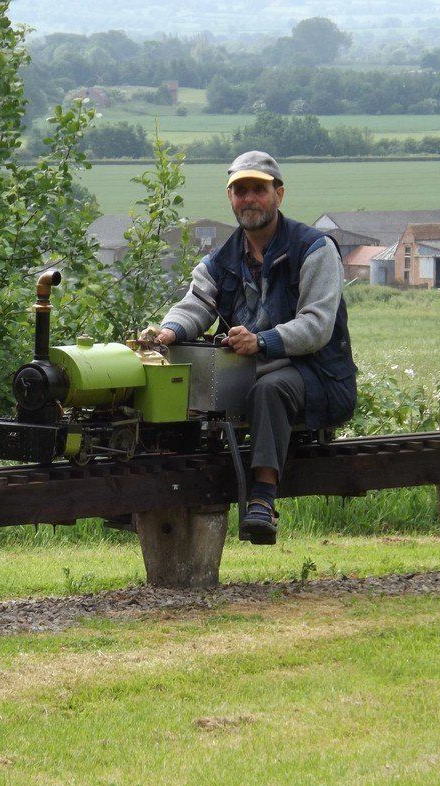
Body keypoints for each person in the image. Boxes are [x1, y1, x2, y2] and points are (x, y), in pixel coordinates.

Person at [155, 150, 357, 541]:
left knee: (271, 387)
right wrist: (167, 333)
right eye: (240, 190)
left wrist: (262, 341)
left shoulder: (315, 249)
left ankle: (262, 499)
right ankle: (158, 487)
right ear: (229, 198)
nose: (249, 199)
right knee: (181, 380)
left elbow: (316, 326)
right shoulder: (220, 259)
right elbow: (196, 304)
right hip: (252, 372)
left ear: (279, 194)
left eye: (258, 190)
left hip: (319, 377)